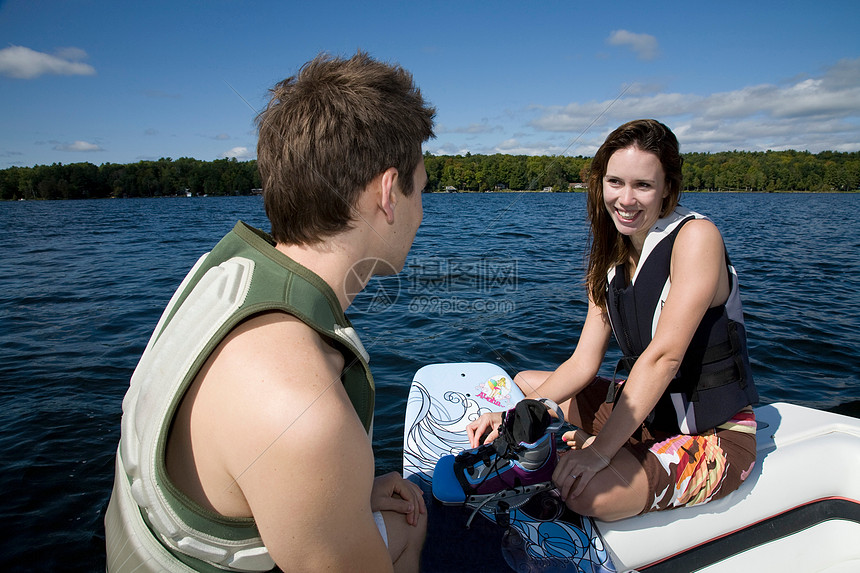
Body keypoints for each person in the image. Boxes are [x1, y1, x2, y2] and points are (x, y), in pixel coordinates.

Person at [104, 52, 435, 572]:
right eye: (423, 188)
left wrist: (340, 493)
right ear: (389, 193)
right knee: (413, 530)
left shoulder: (218, 278)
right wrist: (325, 468)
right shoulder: (303, 409)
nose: (422, 212)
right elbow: (287, 431)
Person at [467, 119, 758, 522]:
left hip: (712, 434)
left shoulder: (697, 238)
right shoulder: (609, 256)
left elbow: (664, 358)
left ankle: (596, 448)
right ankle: (587, 440)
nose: (626, 199)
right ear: (600, 184)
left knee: (588, 495)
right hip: (650, 414)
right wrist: (521, 415)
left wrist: (599, 453)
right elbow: (583, 363)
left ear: (668, 189)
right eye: (615, 182)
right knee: (526, 387)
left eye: (643, 185)